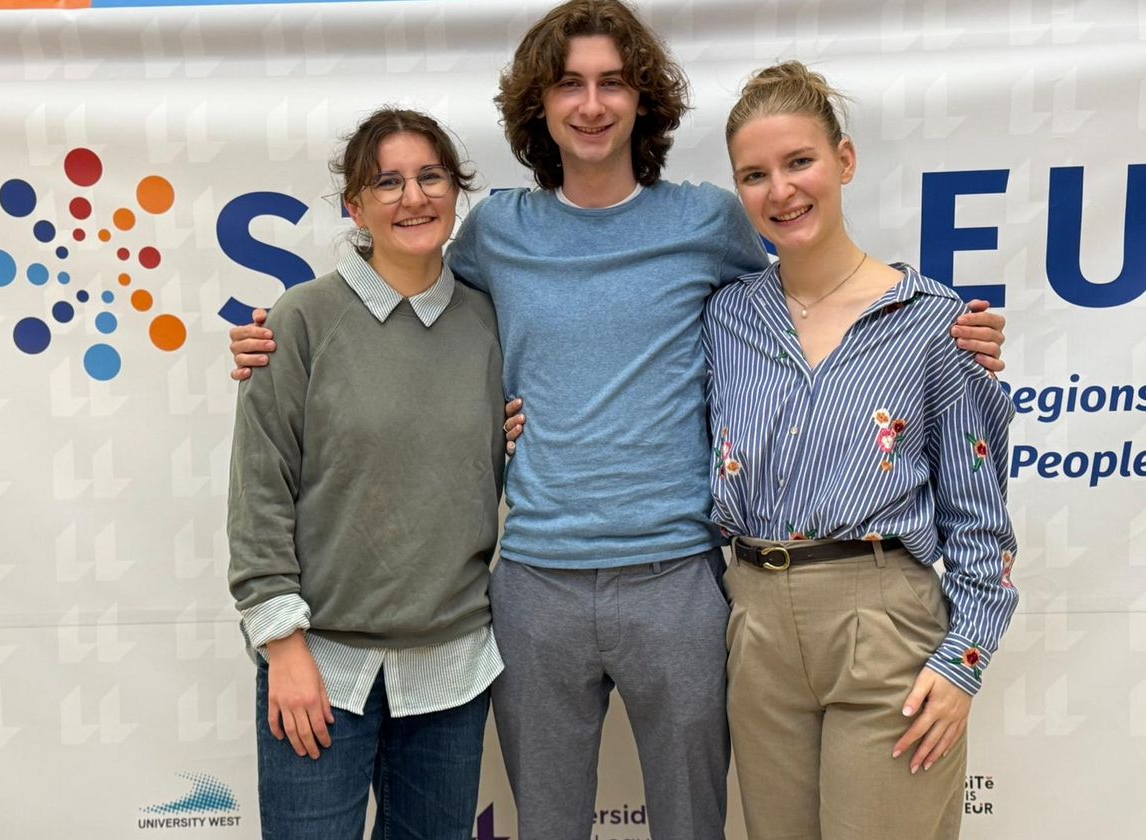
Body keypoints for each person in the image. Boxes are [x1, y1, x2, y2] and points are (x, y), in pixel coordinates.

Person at [227, 3, 1008, 837]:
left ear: (644, 100)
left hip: (678, 583)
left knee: (691, 823)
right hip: (533, 586)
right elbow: (406, 289)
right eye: (569, 84)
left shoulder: (709, 222)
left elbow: (808, 293)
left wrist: (941, 328)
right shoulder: (496, 230)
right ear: (541, 105)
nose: (591, 104)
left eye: (611, 82)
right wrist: (281, 338)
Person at [703, 61, 1019, 840]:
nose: (781, 190)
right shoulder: (724, 318)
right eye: (755, 174)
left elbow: (981, 521)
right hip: (756, 625)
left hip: (884, 621)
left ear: (843, 162)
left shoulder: (932, 321)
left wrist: (964, 662)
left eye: (799, 162)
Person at [226, 108, 506, 840]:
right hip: (320, 668)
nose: (412, 197)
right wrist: (282, 648)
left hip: (452, 670)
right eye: (387, 182)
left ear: (456, 192)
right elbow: (260, 493)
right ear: (355, 205)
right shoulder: (299, 321)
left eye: (430, 176)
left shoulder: (492, 325)